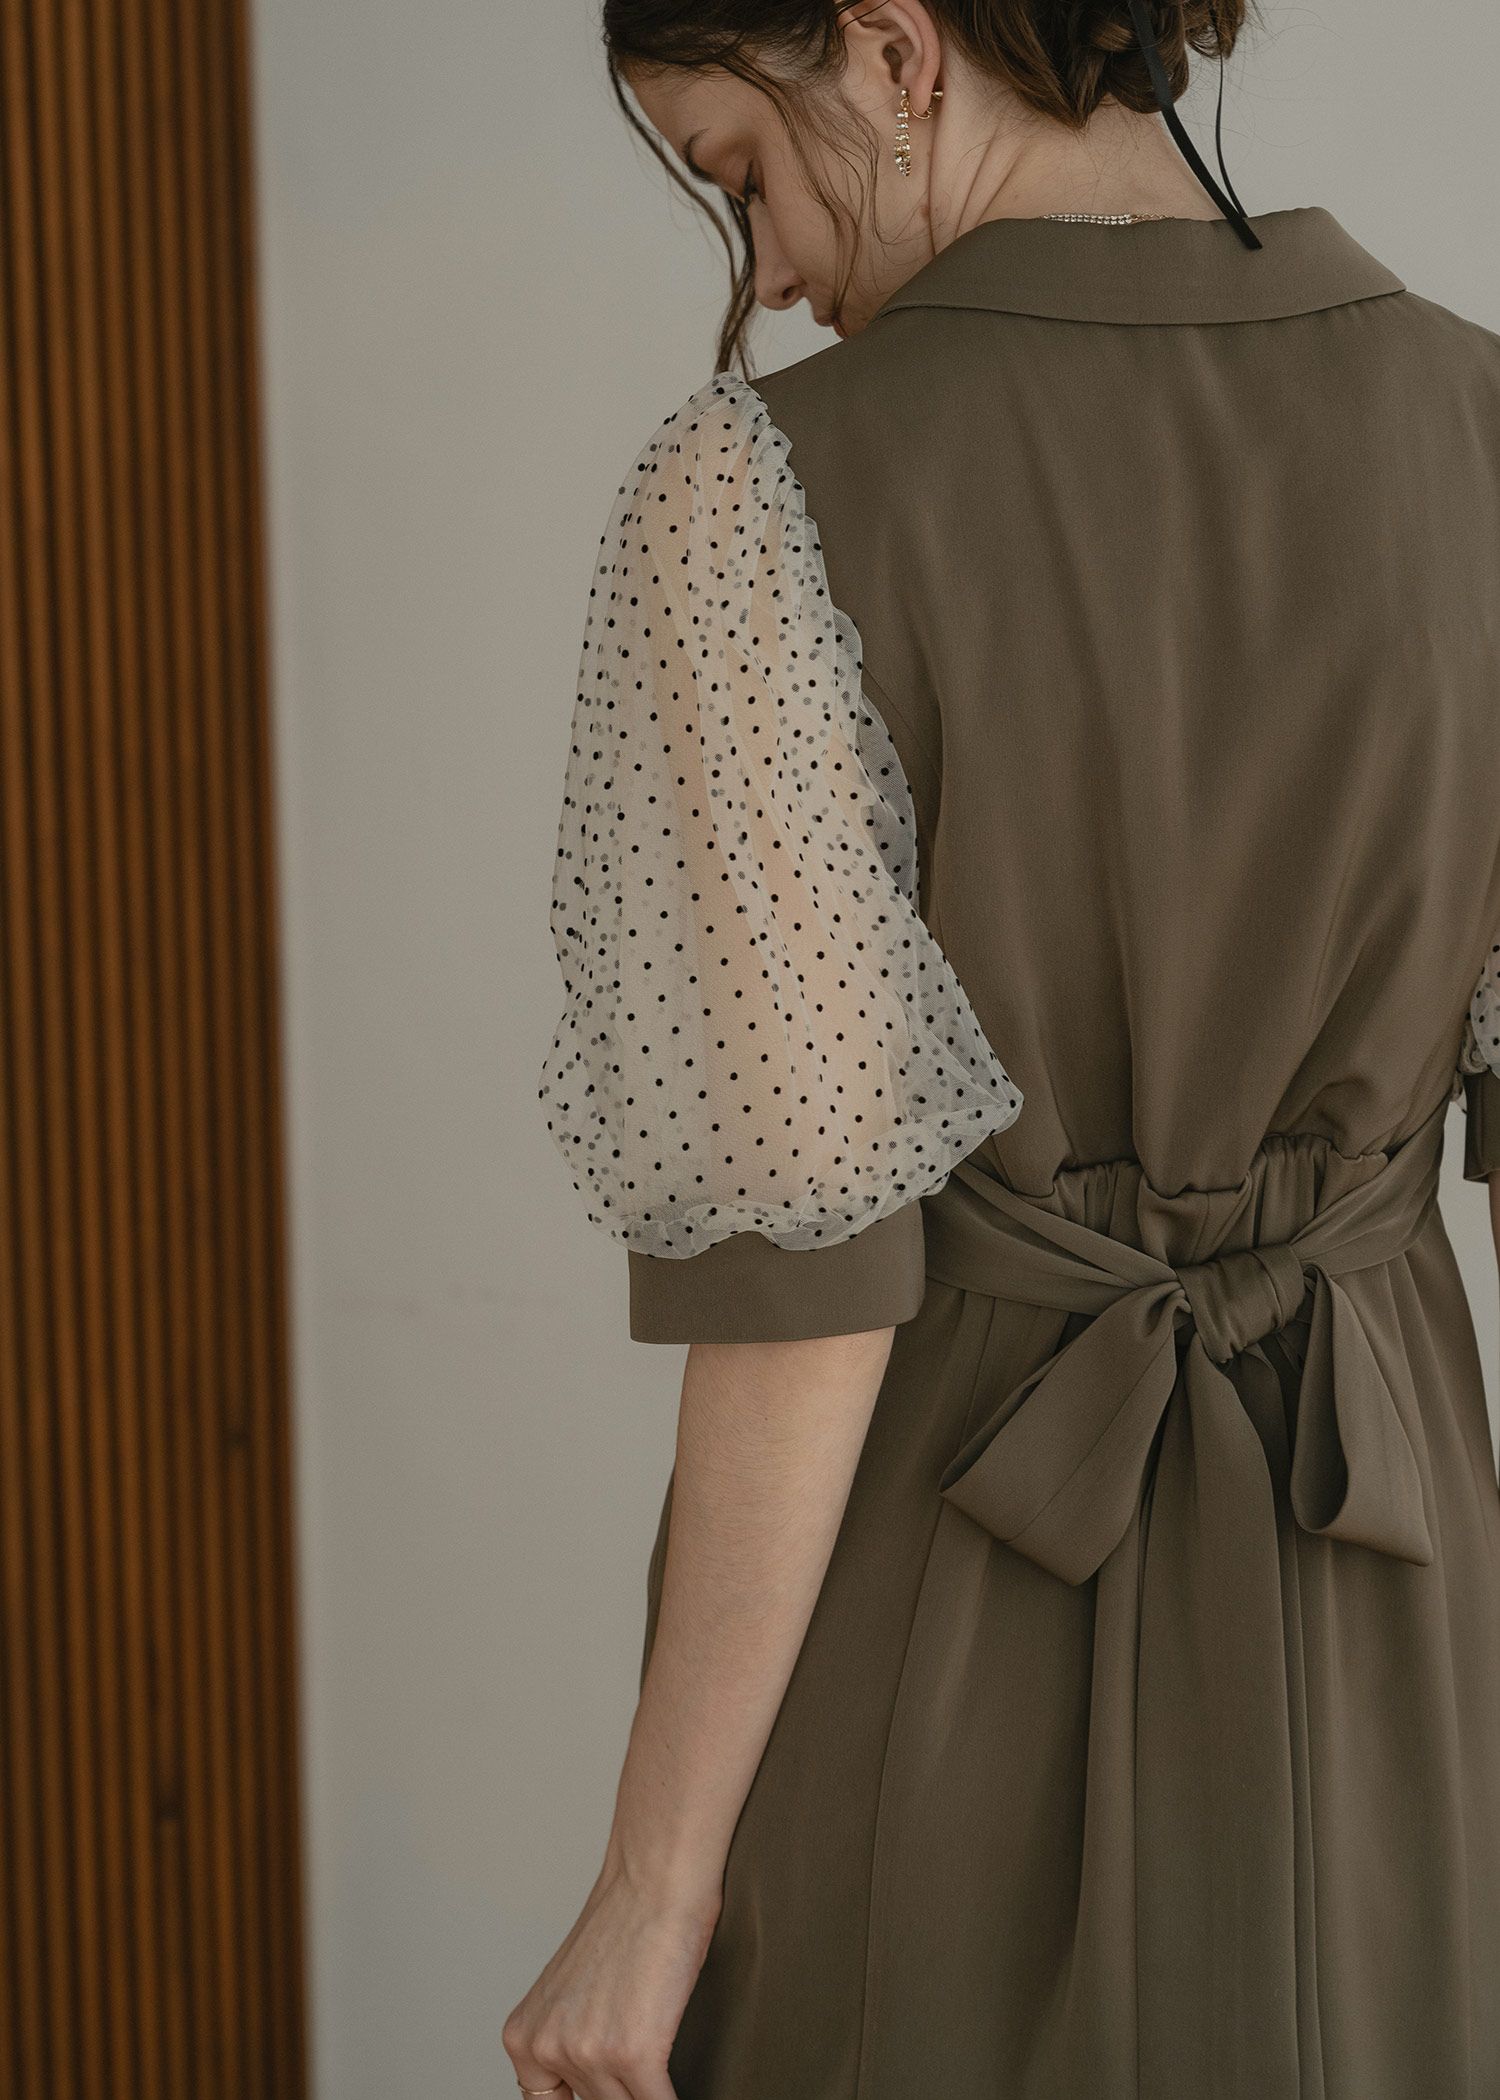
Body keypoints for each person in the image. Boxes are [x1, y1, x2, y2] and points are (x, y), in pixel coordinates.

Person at [510, 1, 1500, 2092]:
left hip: (953, 1613)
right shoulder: (1482, 426)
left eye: (741, 178)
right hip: (1399, 1620)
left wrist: (653, 1887)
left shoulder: (757, 499)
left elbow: (803, 1292)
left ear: (892, 48)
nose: (769, 272)